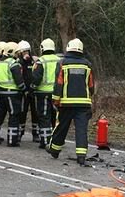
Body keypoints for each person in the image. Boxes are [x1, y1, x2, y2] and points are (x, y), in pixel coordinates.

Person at [47, 38, 94, 166]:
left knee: (61, 127)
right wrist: (90, 95)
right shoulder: (87, 64)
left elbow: (59, 83)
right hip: (84, 104)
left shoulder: (63, 63)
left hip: (66, 103)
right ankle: (81, 156)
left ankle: (54, 150)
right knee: (81, 130)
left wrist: (55, 100)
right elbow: (91, 85)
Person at [0, 41, 25, 146]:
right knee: (14, 116)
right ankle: (12, 140)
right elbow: (19, 81)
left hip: (0, 93)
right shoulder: (14, 64)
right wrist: (24, 89)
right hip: (12, 94)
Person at [32, 38, 61, 149]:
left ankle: (45, 140)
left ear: (42, 48)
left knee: (44, 116)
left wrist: (32, 88)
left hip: (42, 93)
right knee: (55, 117)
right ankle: (56, 140)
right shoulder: (59, 60)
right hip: (56, 93)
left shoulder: (41, 61)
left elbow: (36, 77)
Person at [15, 40, 40, 143]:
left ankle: (36, 134)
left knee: (36, 113)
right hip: (23, 92)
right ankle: (20, 133)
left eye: (27, 51)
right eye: (24, 52)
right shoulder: (18, 63)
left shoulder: (34, 62)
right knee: (22, 113)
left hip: (33, 91)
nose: (26, 54)